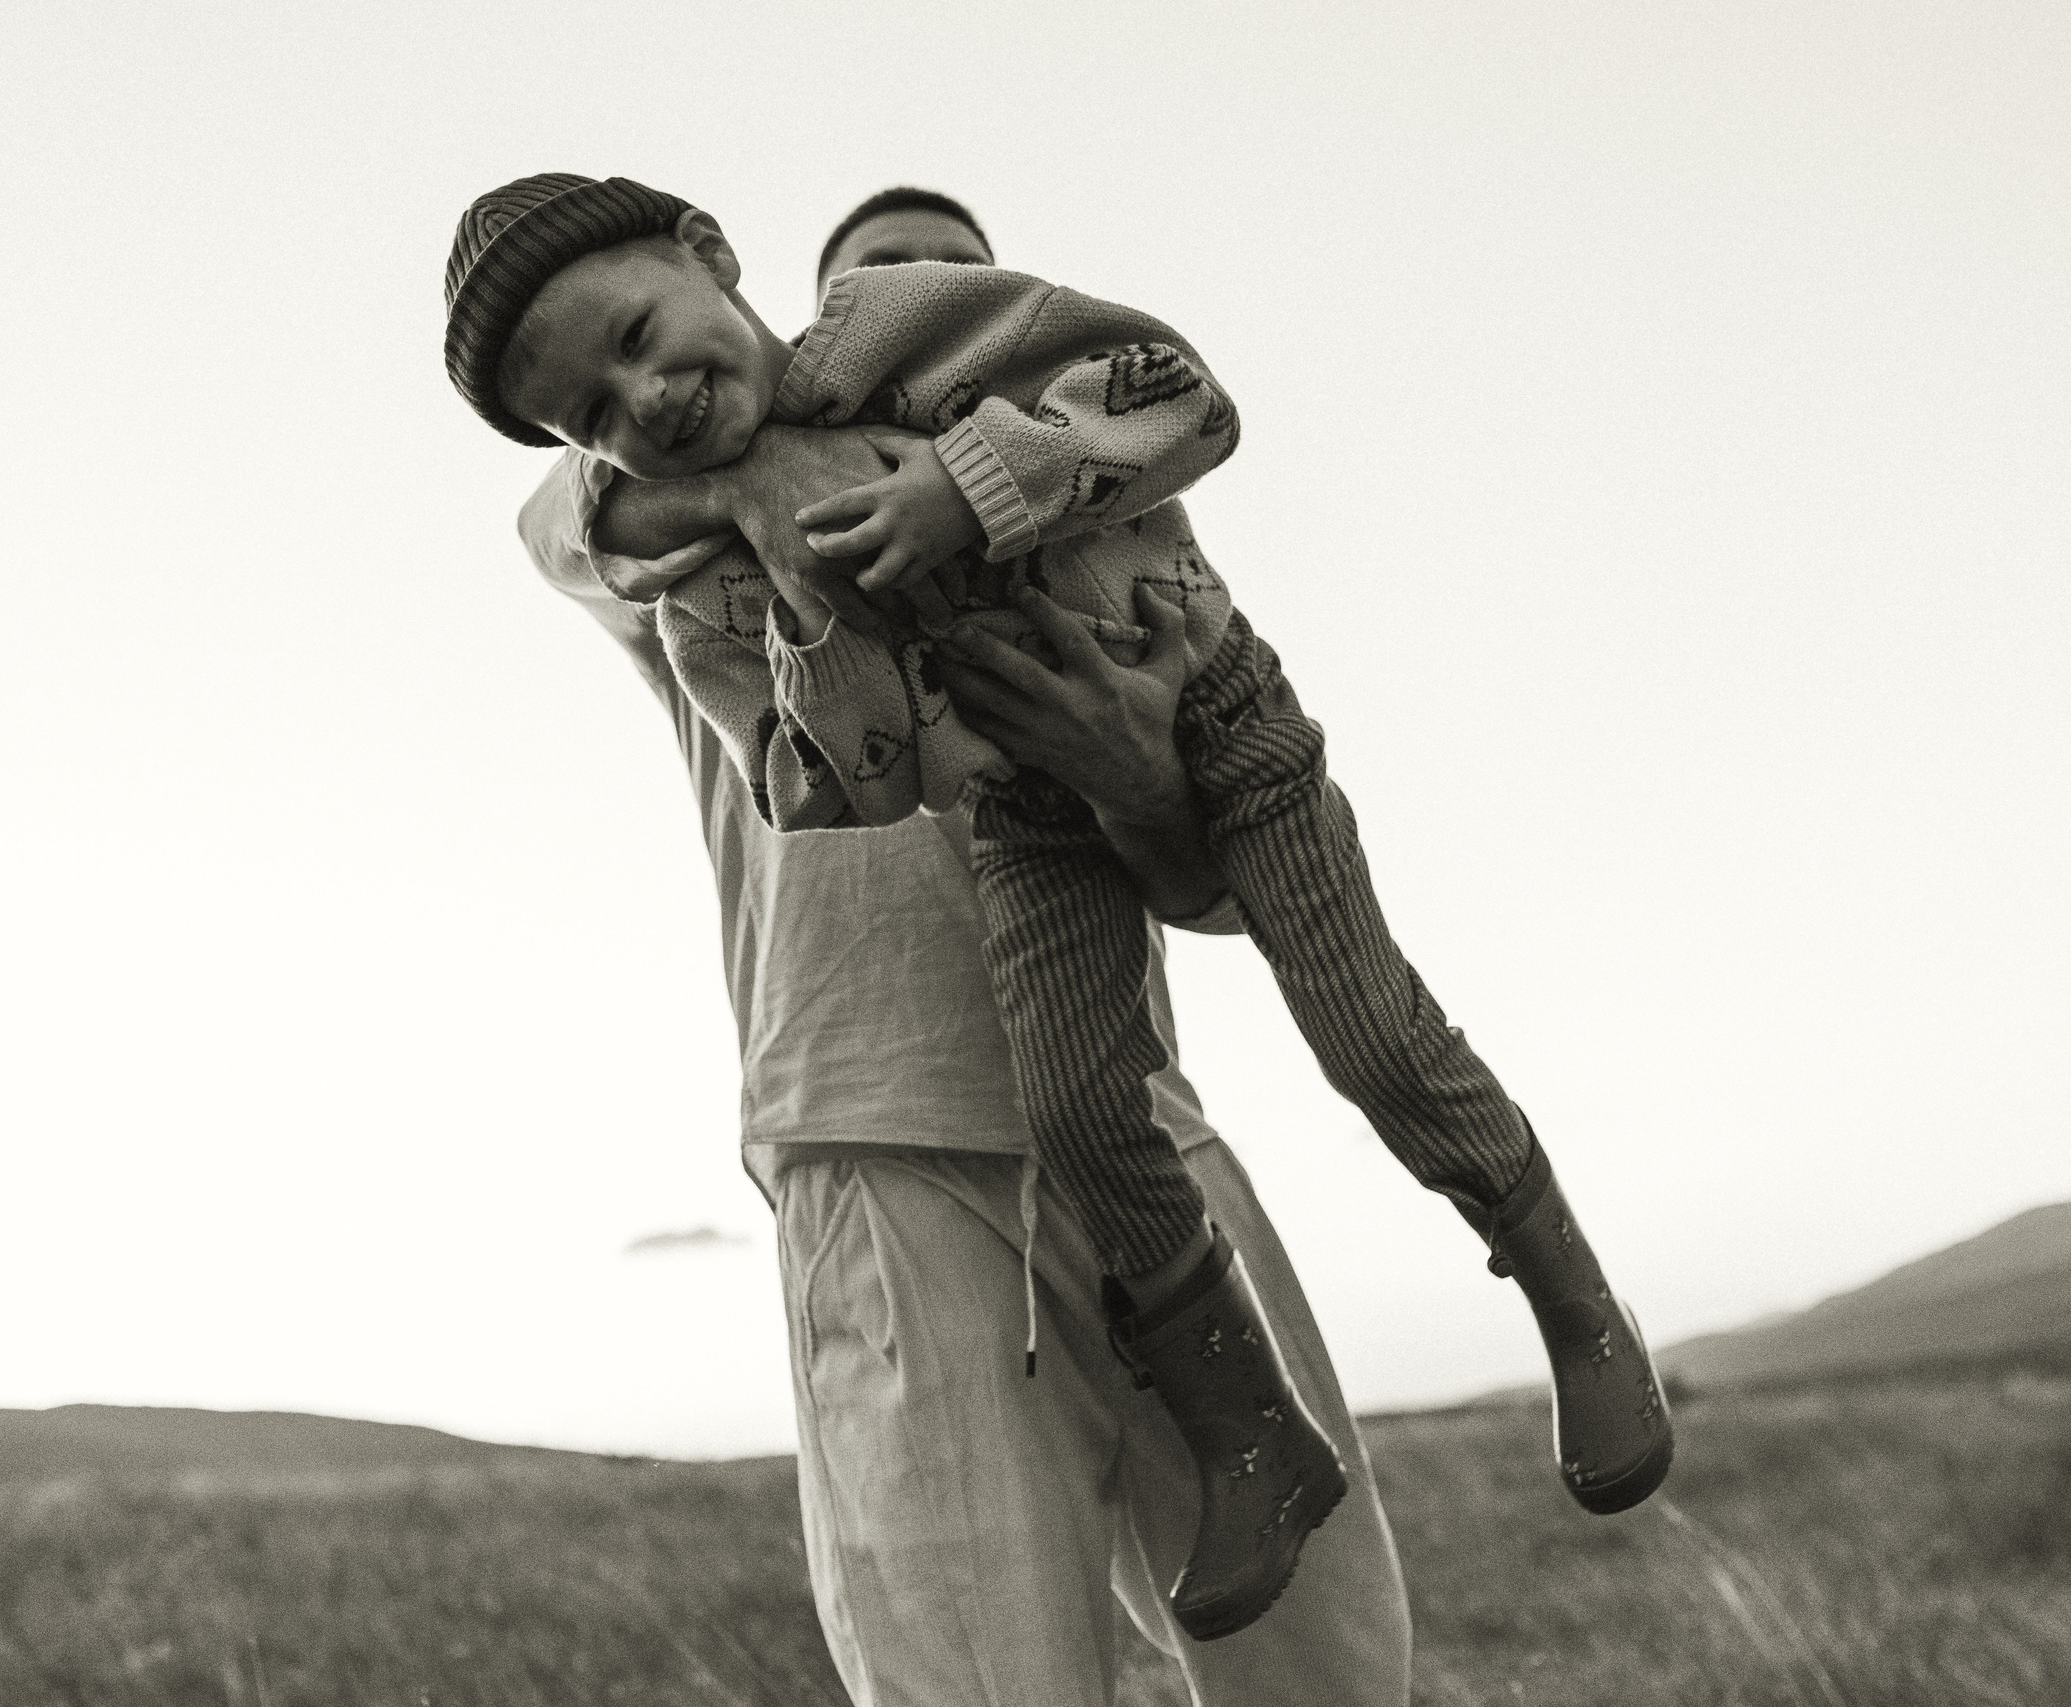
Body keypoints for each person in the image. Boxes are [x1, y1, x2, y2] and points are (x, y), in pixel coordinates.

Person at [448, 170, 1674, 1580]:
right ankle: (1251, 1435)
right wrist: (809, 605)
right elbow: (822, 779)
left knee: (1367, 1030)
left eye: (637, 340)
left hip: (1217, 718)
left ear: (717, 258)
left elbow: (1185, 398)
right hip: (967, 917)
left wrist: (966, 491)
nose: (645, 399)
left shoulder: (928, 340)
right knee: (1082, 1109)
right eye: (594, 411)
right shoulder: (675, 569)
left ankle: (1576, 1303)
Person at [507, 186, 1412, 1705]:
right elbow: (557, 528)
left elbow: (1217, 896)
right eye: (877, 284)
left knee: (1328, 1659)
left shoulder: (1097, 555)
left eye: (959, 283)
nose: (917, 300)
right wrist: (775, 476)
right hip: (879, 1151)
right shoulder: (695, 563)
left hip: (1143, 1136)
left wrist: (1133, 775)